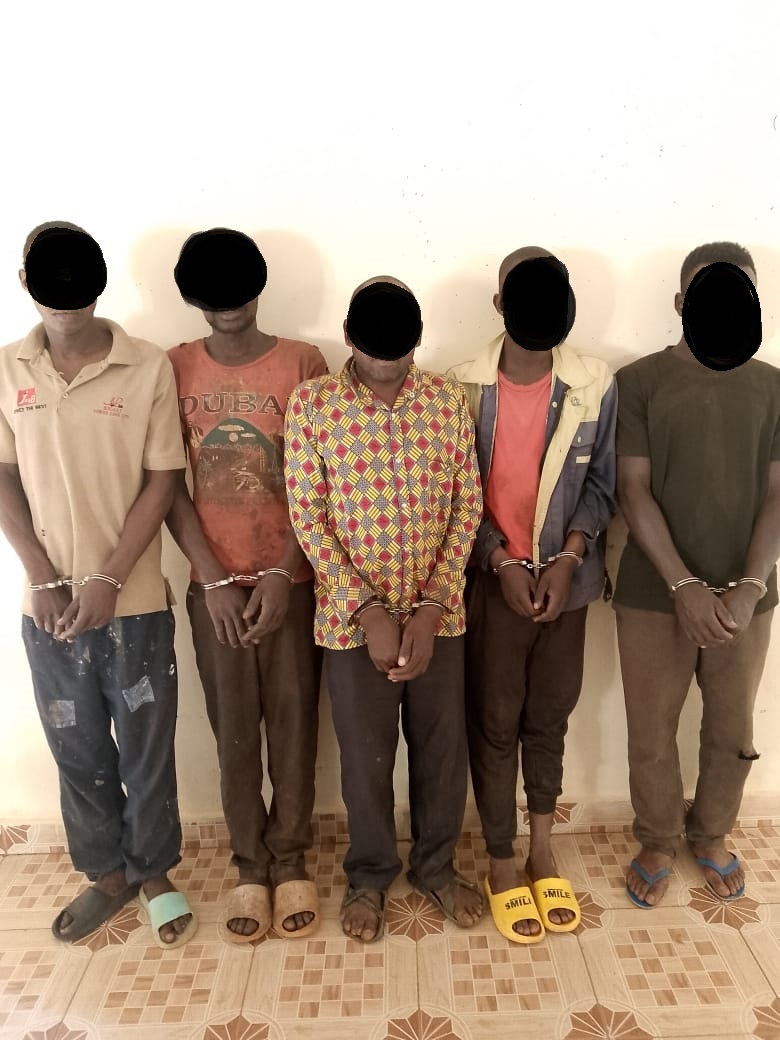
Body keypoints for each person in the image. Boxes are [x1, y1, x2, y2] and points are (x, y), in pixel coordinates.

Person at [0, 222, 196, 947]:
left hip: (134, 602)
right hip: (48, 610)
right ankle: (106, 875)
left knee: (146, 747)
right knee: (76, 748)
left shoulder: (146, 367)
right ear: (26, 282)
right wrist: (42, 577)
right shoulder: (7, 371)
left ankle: (154, 872)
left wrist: (111, 578)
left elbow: (162, 480)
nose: (67, 299)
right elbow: (3, 478)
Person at [284, 276, 484, 942]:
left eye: (400, 352)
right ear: (348, 337)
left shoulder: (446, 402)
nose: (387, 365)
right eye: (374, 352)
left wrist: (430, 608)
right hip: (351, 625)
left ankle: (436, 867)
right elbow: (308, 516)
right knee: (366, 758)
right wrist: (367, 611)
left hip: (438, 617)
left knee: (441, 750)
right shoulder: (313, 405)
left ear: (417, 341)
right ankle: (369, 875)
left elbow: (466, 507)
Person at [448, 247, 617, 943]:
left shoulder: (594, 383)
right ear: (500, 305)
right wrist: (499, 559)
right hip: (495, 585)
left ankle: (542, 850)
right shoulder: (461, 387)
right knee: (495, 721)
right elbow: (457, 490)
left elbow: (601, 484)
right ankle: (499, 858)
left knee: (548, 717)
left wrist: (569, 557)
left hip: (565, 588)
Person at [166, 229, 328, 942]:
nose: (227, 306)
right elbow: (167, 483)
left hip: (291, 580)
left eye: (237, 291)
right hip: (215, 588)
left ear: (259, 288)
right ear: (193, 298)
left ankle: (291, 859)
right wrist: (211, 578)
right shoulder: (172, 368)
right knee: (232, 728)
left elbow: (323, 478)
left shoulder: (303, 363)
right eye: (211, 295)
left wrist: (284, 571)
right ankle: (249, 866)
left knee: (293, 723)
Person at [614, 242, 780, 908]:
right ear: (681, 302)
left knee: (733, 728)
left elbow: (779, 494)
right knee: (652, 728)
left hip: (749, 594)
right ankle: (657, 839)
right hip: (653, 591)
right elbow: (632, 487)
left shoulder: (773, 386)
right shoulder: (639, 381)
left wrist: (750, 586)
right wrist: (682, 585)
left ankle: (711, 834)